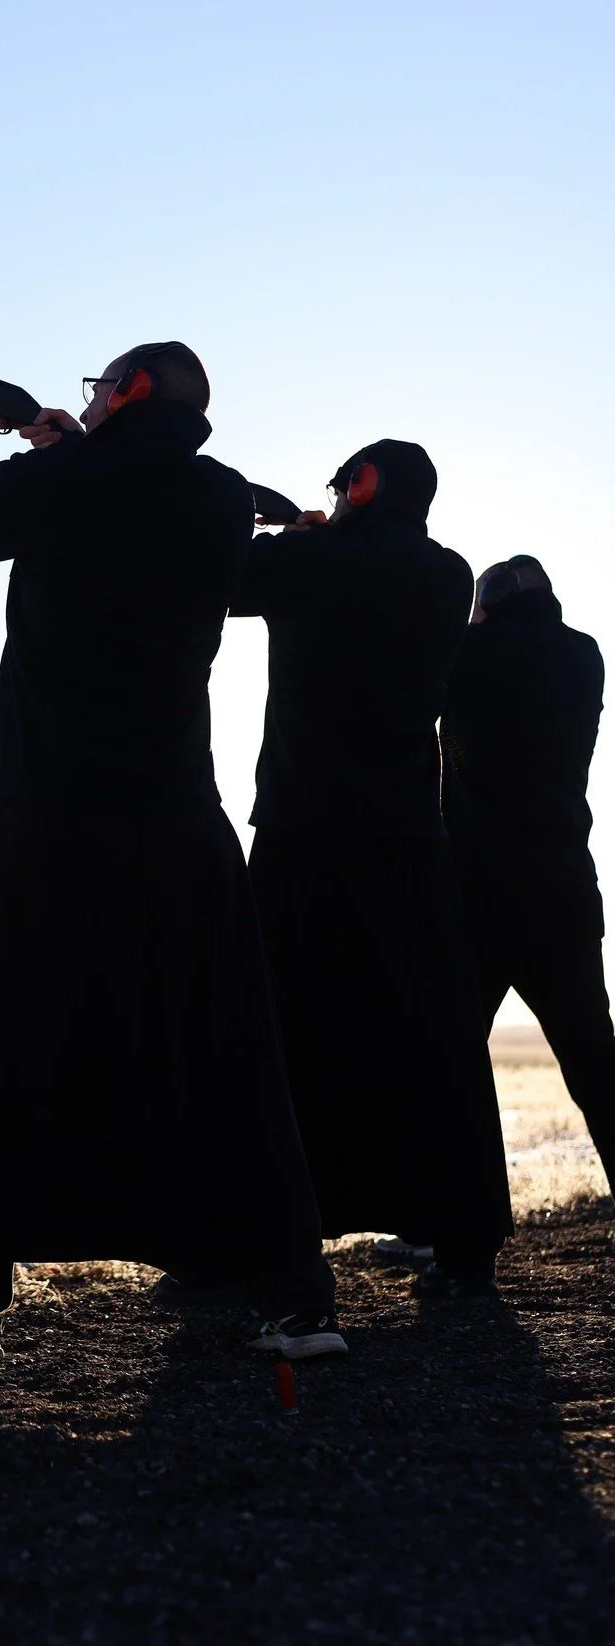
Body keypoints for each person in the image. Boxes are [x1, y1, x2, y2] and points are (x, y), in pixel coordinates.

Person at [0, 341, 345, 1361]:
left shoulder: (68, 480)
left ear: (127, 394)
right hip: (177, 816)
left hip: (42, 807)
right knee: (231, 1055)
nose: (87, 400)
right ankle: (296, 1300)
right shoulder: (211, 498)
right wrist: (65, 441)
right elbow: (204, 492)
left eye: (98, 387)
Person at [229, 442, 513, 1298]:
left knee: (280, 1032)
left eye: (339, 485)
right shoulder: (446, 572)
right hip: (405, 831)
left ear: (362, 484)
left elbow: (221, 577)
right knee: (431, 1036)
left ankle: (263, 1238)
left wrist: (290, 534)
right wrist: (307, 535)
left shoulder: (308, 559)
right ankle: (461, 1240)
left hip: (302, 827)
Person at [443, 556, 614, 1193]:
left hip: (479, 893)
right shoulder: (582, 656)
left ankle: (455, 1238)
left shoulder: (468, 655)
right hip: (565, 888)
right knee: (597, 1063)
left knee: (451, 1067)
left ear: (488, 601)